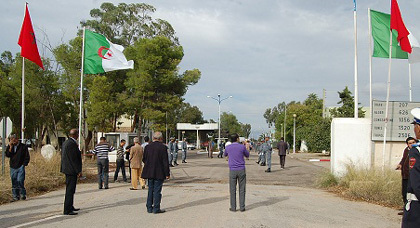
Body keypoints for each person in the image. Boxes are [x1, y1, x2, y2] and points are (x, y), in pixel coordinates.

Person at [141, 132, 170, 214]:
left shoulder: (147, 147)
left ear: (153, 138)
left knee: (150, 189)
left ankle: (149, 207)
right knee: (157, 190)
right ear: (161, 138)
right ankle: (156, 208)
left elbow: (144, 159)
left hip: (150, 171)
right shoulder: (163, 147)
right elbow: (165, 162)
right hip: (159, 172)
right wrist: (167, 173)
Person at [224, 133, 249, 212]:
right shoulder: (242, 147)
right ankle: (242, 207)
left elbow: (225, 154)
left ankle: (233, 207)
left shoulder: (228, 147)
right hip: (241, 169)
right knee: (242, 189)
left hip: (232, 170)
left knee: (232, 189)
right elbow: (247, 155)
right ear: (237, 139)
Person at [60, 129, 82, 215]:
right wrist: (78, 170)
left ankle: (70, 205)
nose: (78, 136)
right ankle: (67, 209)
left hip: (68, 169)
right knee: (70, 190)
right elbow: (73, 159)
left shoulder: (67, 142)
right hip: (71, 170)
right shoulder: (71, 144)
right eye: (77, 134)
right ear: (75, 135)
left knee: (71, 189)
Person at [5, 134, 30, 202]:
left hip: (20, 166)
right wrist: (10, 147)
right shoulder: (11, 146)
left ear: (17, 139)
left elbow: (27, 156)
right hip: (13, 166)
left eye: (14, 140)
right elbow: (7, 155)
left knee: (20, 180)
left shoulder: (23, 146)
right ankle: (15, 196)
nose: (13, 142)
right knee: (14, 181)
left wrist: (24, 164)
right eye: (11, 140)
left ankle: (22, 194)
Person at [397, 137, 417, 215]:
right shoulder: (406, 150)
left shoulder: (416, 151)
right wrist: (400, 164)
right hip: (405, 174)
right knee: (404, 192)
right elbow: (404, 159)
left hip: (412, 175)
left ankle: (410, 210)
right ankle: (406, 208)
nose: (412, 144)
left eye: (413, 142)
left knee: (411, 193)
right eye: (410, 143)